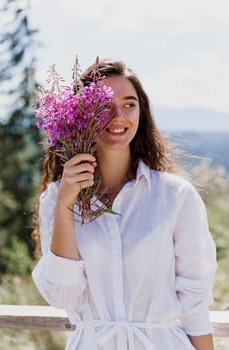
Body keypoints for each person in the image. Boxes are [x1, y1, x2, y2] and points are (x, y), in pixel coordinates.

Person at [32, 59, 217, 350]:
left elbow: (194, 302)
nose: (118, 116)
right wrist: (66, 205)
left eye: (129, 104)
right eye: (104, 105)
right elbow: (63, 296)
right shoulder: (56, 198)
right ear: (80, 116)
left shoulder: (175, 196)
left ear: (141, 113)